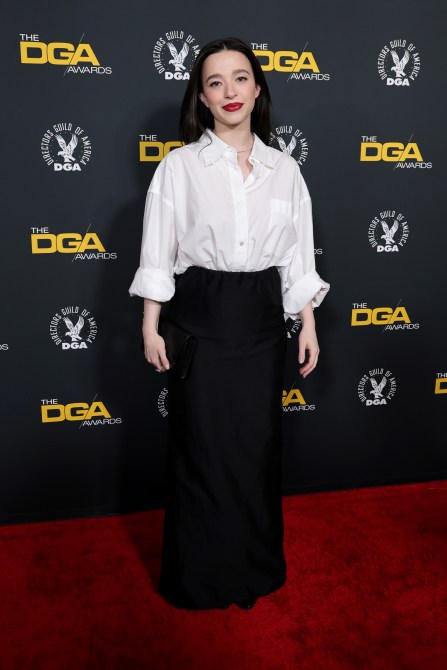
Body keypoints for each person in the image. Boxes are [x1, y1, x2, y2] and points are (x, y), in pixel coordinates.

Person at [129, 36, 329, 611]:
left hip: (262, 323)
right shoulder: (179, 167)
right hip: (202, 319)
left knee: (256, 449)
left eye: (240, 78)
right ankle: (199, 577)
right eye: (215, 82)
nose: (229, 91)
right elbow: (158, 251)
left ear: (258, 87)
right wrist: (150, 325)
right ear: (202, 97)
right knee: (202, 450)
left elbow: (297, 256)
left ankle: (254, 570)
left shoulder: (285, 170)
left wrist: (307, 323)